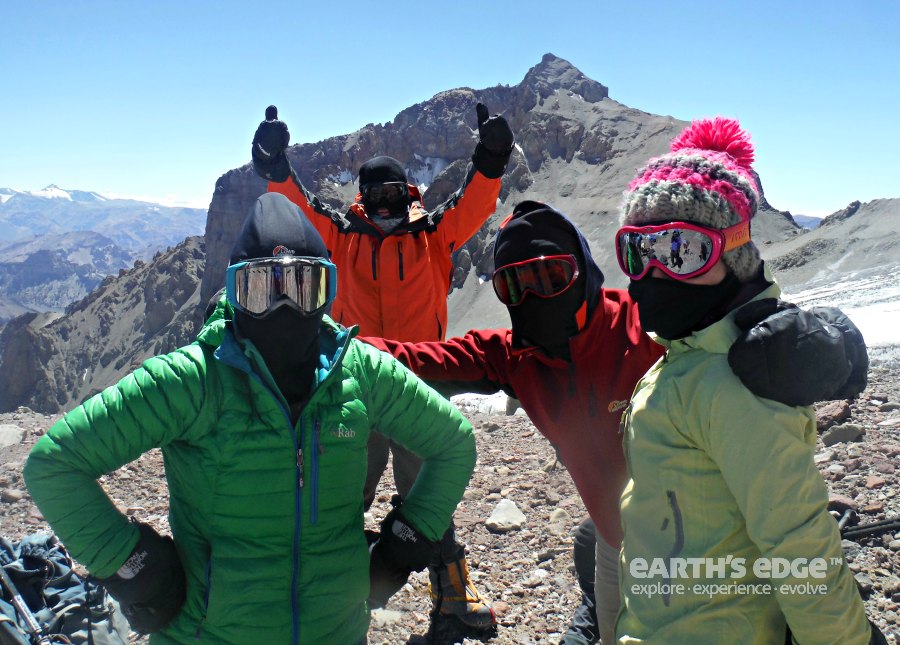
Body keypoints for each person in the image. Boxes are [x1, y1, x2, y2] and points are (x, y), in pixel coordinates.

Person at [361, 198, 869, 645]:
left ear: (584, 268)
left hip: (706, 550)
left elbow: (736, 321)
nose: (534, 296)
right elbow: (416, 358)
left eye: (552, 275)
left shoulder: (646, 324)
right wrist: (329, 346)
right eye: (514, 284)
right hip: (614, 543)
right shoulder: (512, 356)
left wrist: (836, 340)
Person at [23, 192, 477, 645]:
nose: (284, 308)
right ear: (234, 294)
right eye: (261, 290)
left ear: (328, 293)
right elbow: (55, 463)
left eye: (303, 288)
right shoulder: (192, 380)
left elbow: (454, 443)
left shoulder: (361, 371)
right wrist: (134, 565)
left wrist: (407, 540)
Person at [614, 117, 885, 643]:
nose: (655, 273)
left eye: (683, 251)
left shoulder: (731, 380)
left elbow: (798, 544)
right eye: (637, 252)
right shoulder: (687, 353)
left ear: (733, 253)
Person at [251, 102, 514, 630]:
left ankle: (454, 596)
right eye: (375, 195)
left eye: (395, 192)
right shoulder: (342, 235)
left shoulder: (434, 235)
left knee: (429, 496)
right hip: (358, 386)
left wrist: (490, 158)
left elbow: (475, 205)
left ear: (409, 194)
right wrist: (274, 166)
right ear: (363, 199)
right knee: (343, 493)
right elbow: (299, 205)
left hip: (418, 385)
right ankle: (320, 588)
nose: (386, 202)